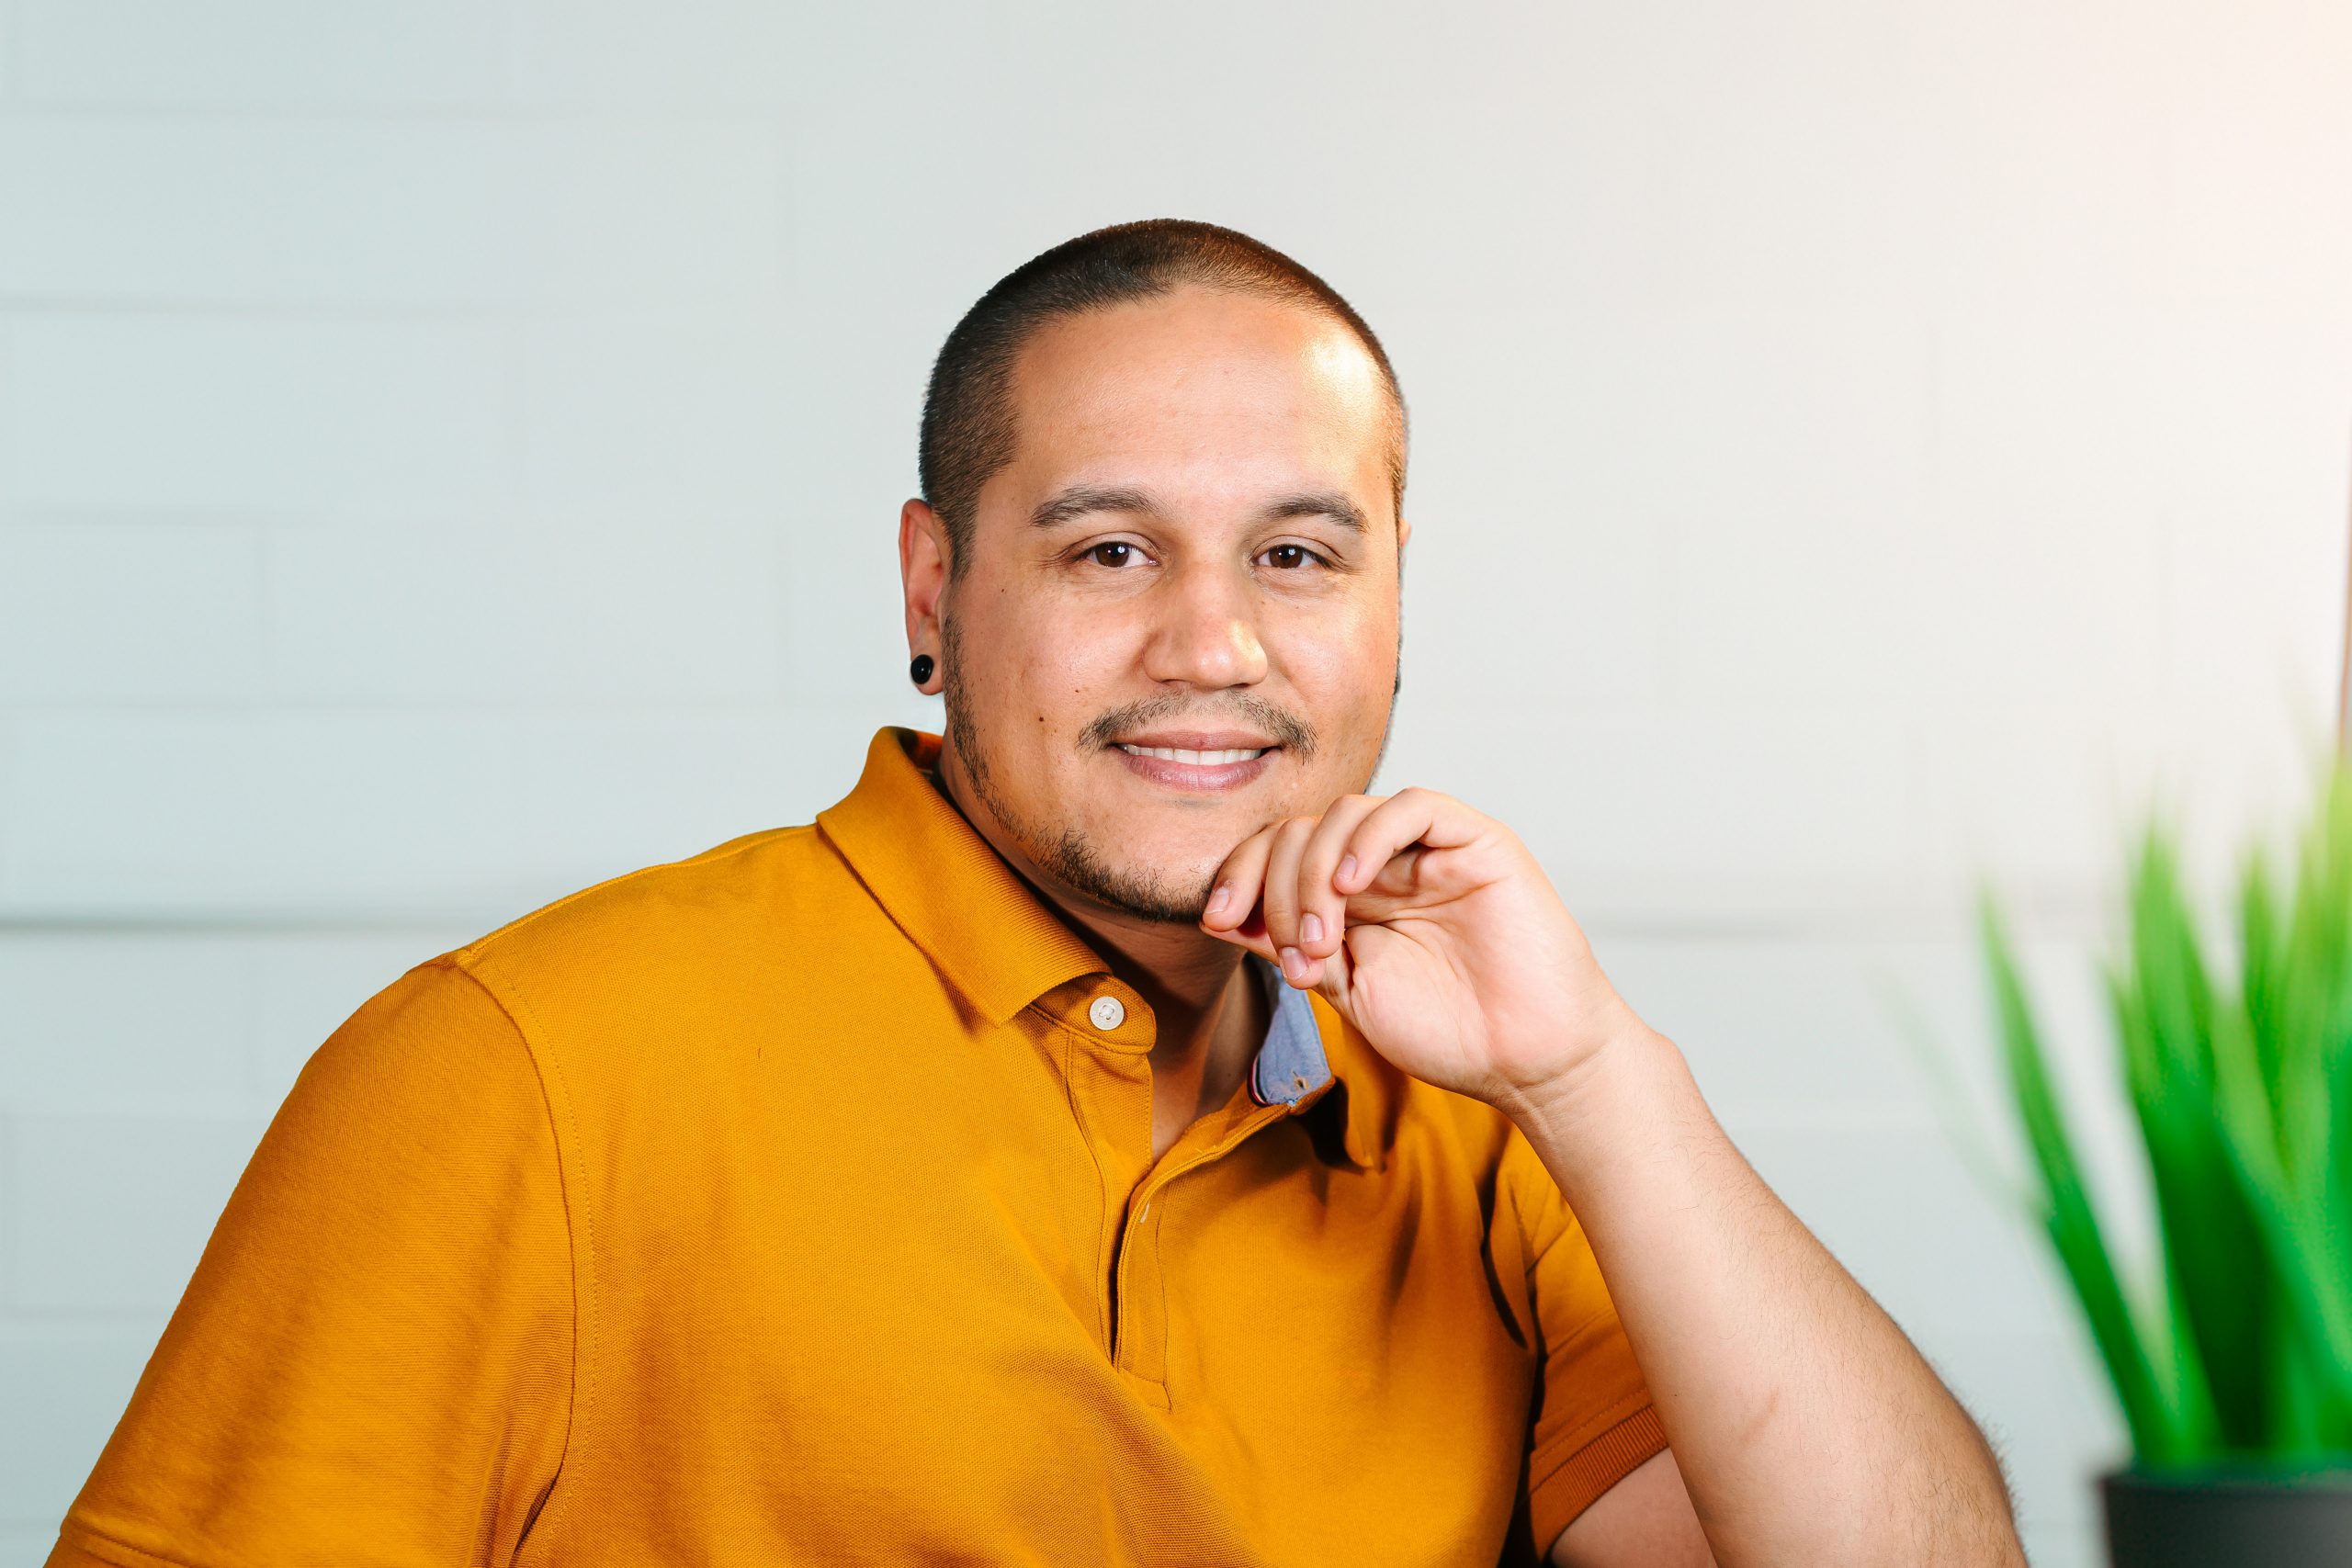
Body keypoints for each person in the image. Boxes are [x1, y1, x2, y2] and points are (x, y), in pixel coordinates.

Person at [47, 220, 2024, 1568]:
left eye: (1297, 554)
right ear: (934, 590)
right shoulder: (520, 1071)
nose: (1211, 645)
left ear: (1394, 596)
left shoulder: (1488, 1122)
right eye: (1106, 551)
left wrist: (1594, 1077)